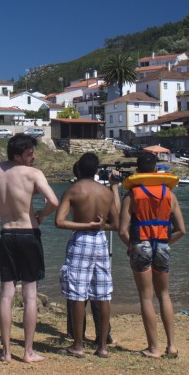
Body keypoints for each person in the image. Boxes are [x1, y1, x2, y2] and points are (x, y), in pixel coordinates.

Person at [0, 133, 60, 363]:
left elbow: (10, 187)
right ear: (18, 155)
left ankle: (6, 352)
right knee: (30, 295)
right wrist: (42, 214)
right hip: (28, 233)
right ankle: (28, 352)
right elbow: (54, 201)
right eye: (30, 153)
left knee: (7, 294)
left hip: (7, 234)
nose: (34, 156)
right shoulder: (33, 174)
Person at [119, 151, 187, 358]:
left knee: (146, 297)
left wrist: (131, 247)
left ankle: (153, 348)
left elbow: (122, 230)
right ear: (156, 169)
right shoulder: (169, 194)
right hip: (163, 245)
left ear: (138, 171)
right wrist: (166, 242)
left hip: (141, 245)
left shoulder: (132, 195)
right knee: (164, 294)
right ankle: (172, 346)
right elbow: (181, 230)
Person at [56, 153, 120, 358]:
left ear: (79, 169)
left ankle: (78, 344)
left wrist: (85, 225)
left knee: (77, 293)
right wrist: (99, 225)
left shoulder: (73, 190)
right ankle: (102, 346)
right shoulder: (106, 193)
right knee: (102, 293)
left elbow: (60, 221)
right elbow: (116, 225)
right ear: (96, 170)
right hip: (100, 240)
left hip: (81, 240)